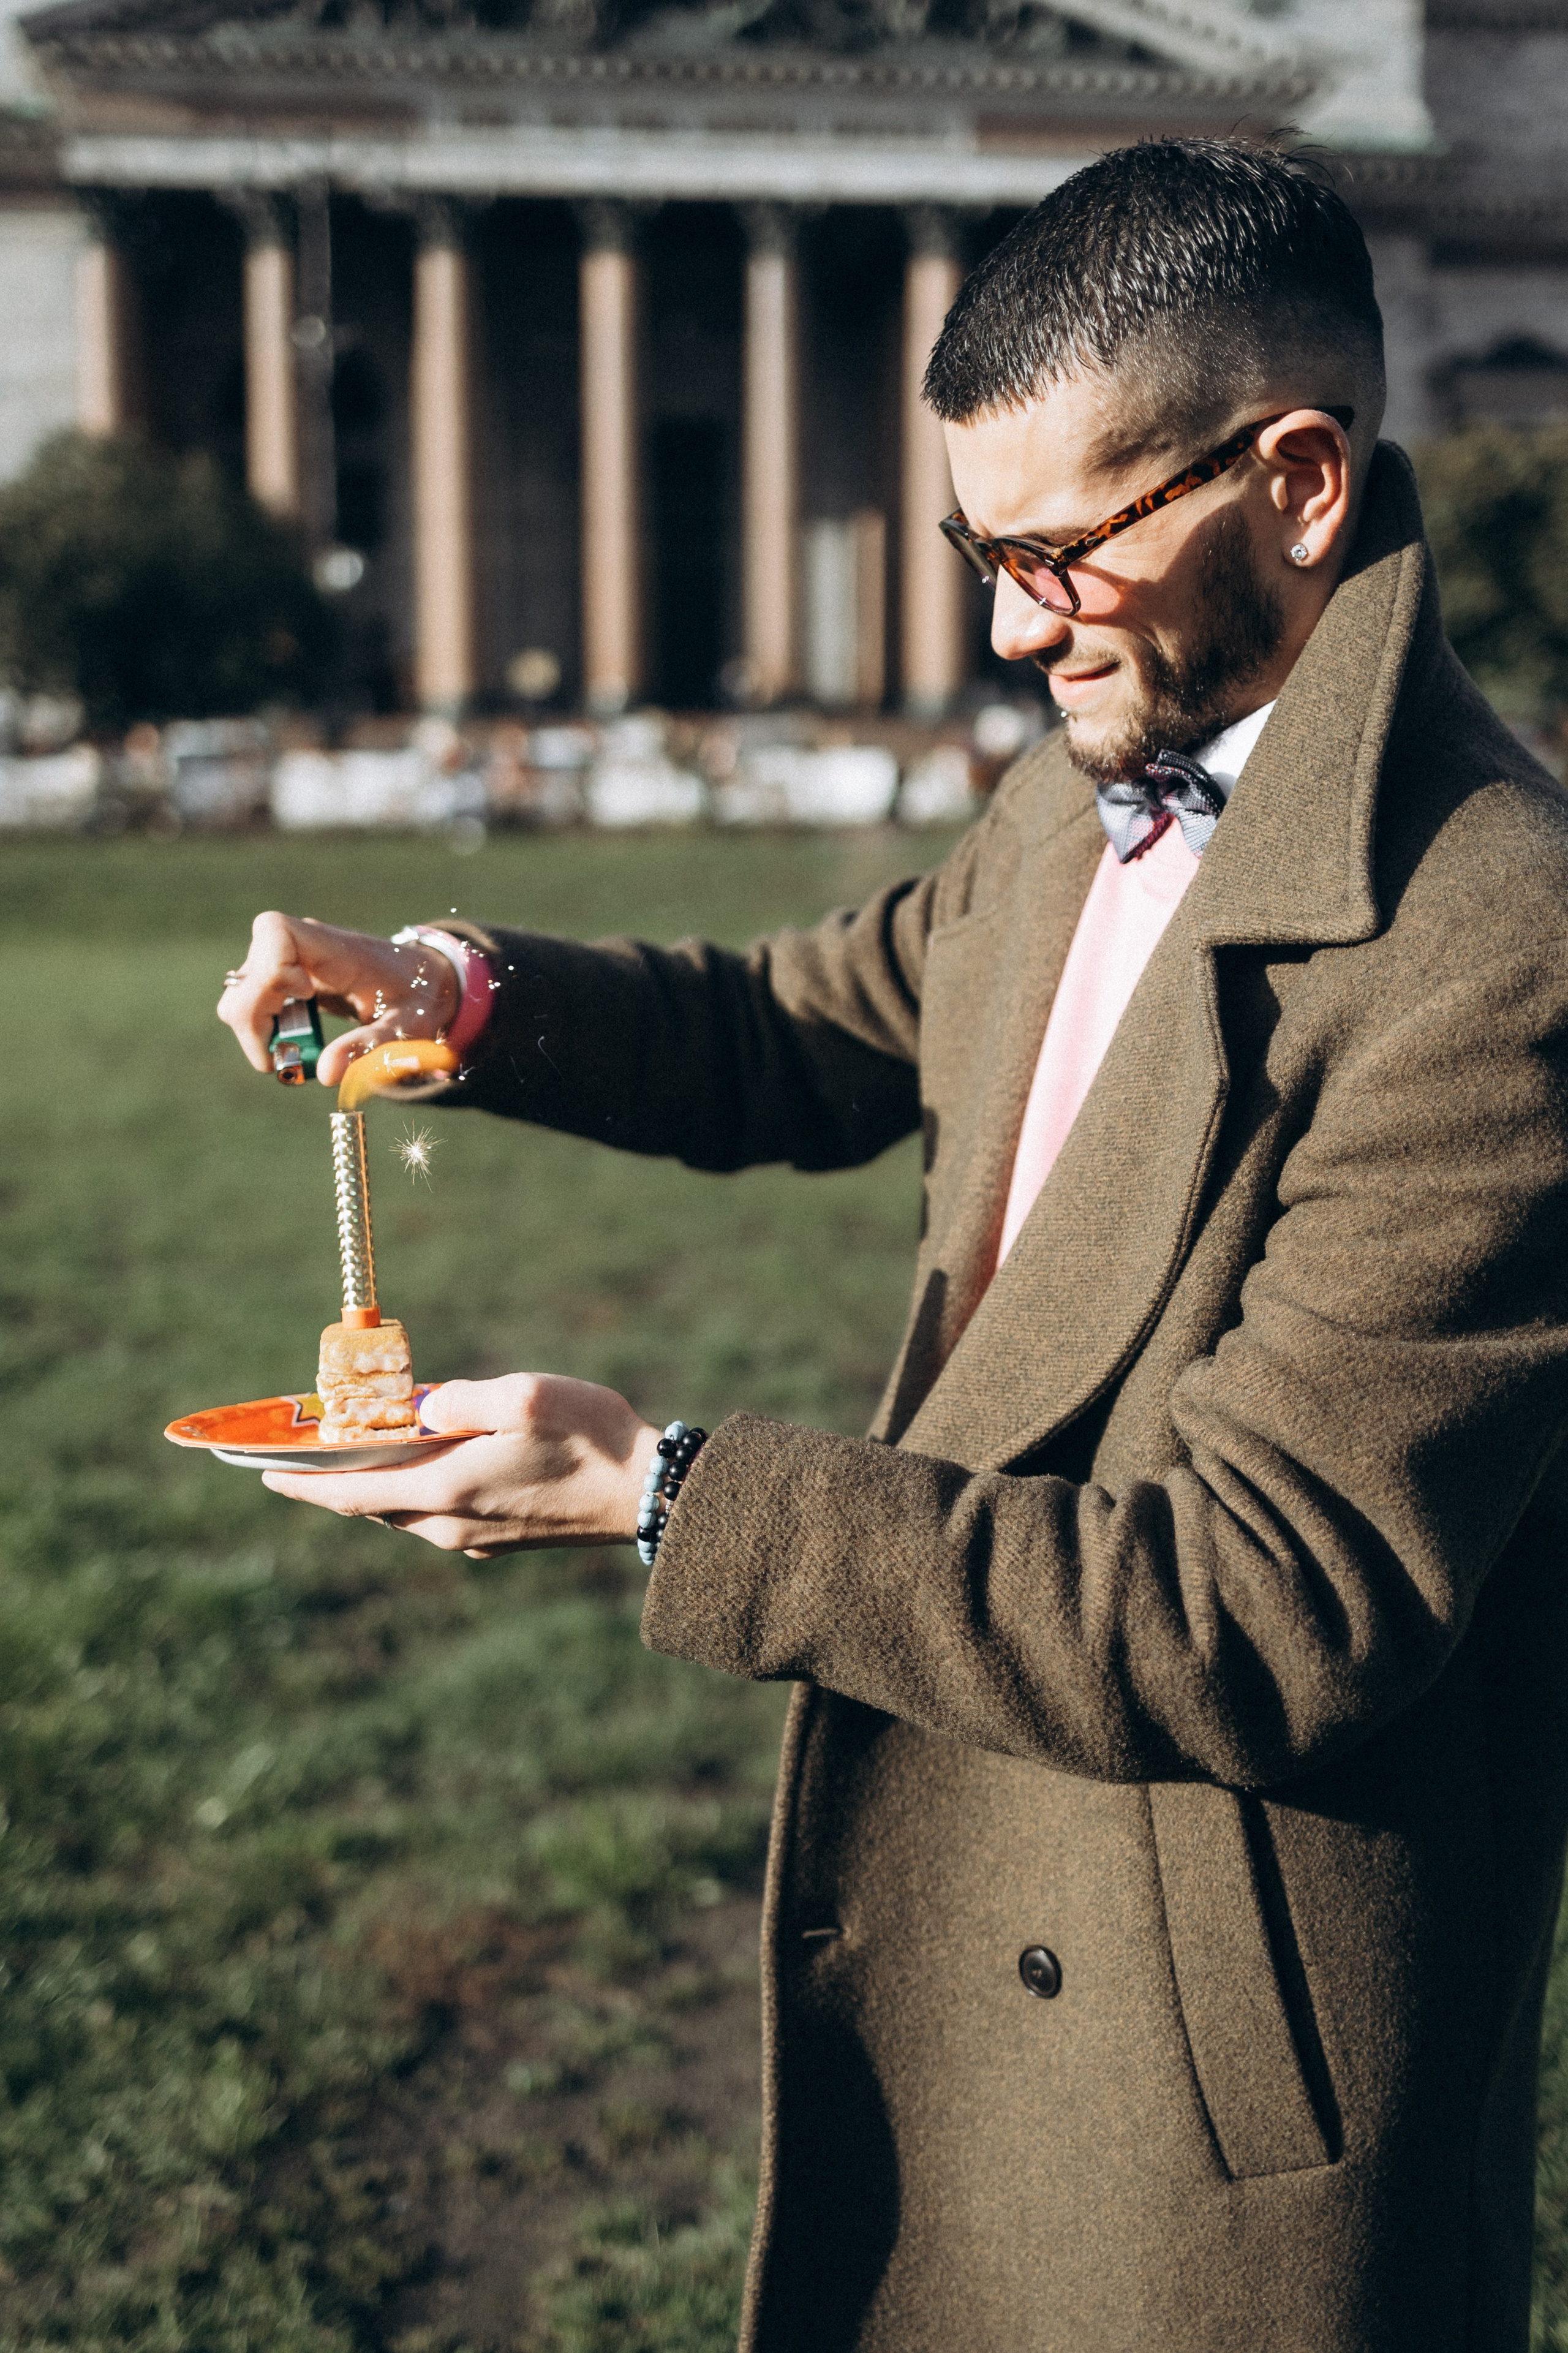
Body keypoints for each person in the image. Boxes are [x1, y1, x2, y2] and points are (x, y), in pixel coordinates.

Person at [219, 139, 1568, 2353]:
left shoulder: (1495, 934)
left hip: (1228, 2053)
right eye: (978, 547)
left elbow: (1254, 1603)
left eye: (1055, 553)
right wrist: (450, 995)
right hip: (980, 1893)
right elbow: (809, 1026)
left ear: (1302, 478)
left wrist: (664, 1493)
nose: (1011, 624)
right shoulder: (1094, 758)